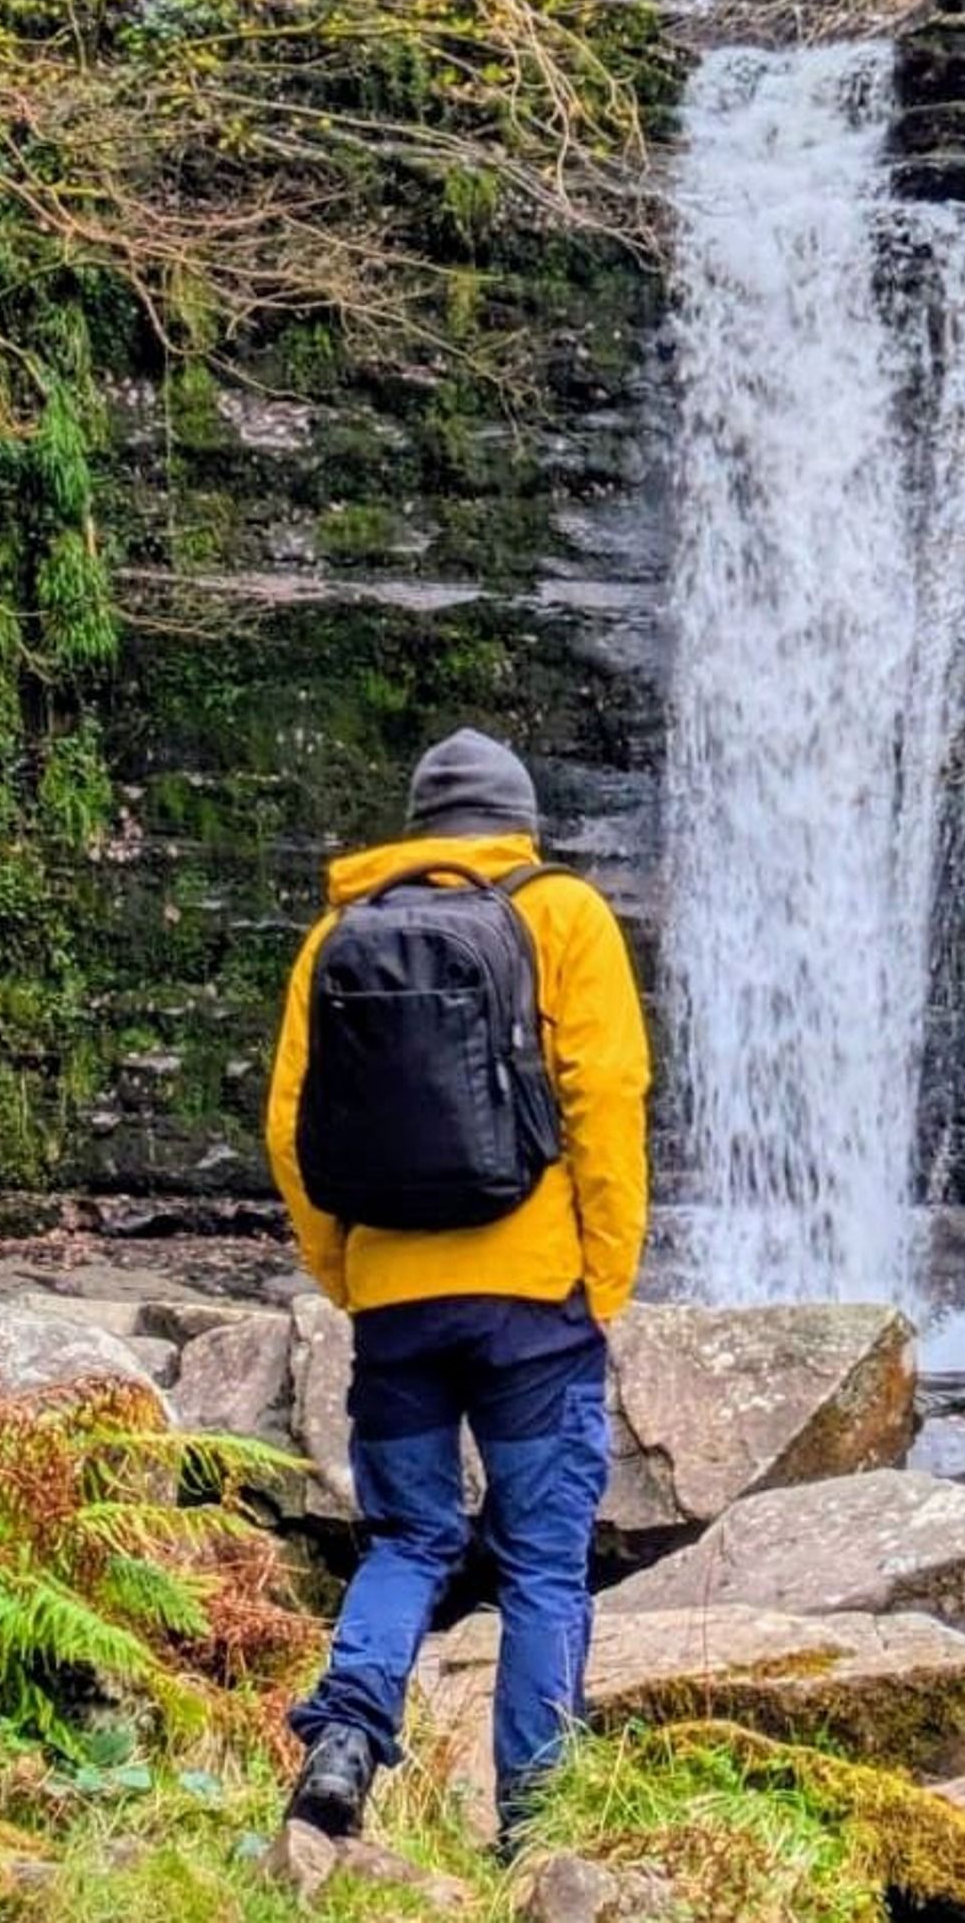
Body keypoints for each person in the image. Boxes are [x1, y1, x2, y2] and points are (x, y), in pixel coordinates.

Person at [264, 726, 650, 1854]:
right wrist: (603, 1272)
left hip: (394, 1299)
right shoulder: (562, 913)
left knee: (407, 1541)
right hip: (534, 1303)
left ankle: (343, 1736)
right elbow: (606, 1097)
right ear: (517, 822)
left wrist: (347, 1269)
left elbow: (291, 1129)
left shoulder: (338, 930)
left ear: (419, 825)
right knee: (540, 1562)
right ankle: (532, 1828)